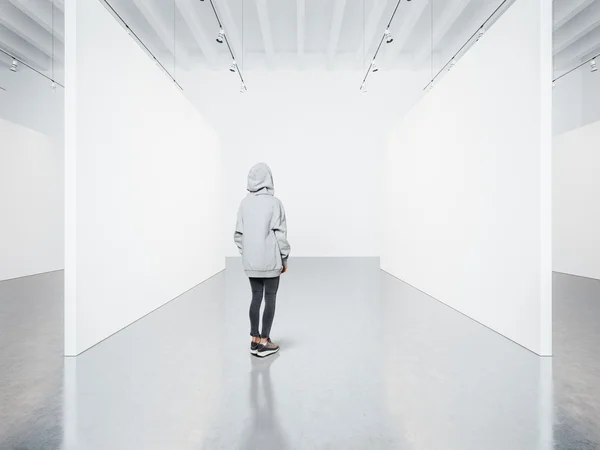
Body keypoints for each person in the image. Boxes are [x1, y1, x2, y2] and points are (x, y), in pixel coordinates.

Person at [234, 163, 291, 358]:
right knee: (270, 298)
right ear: (269, 180)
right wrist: (284, 258)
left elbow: (238, 235)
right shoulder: (275, 203)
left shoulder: (244, 203)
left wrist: (247, 254)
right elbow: (280, 235)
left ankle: (254, 340)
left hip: (251, 263)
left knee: (255, 297)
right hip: (271, 261)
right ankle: (265, 342)